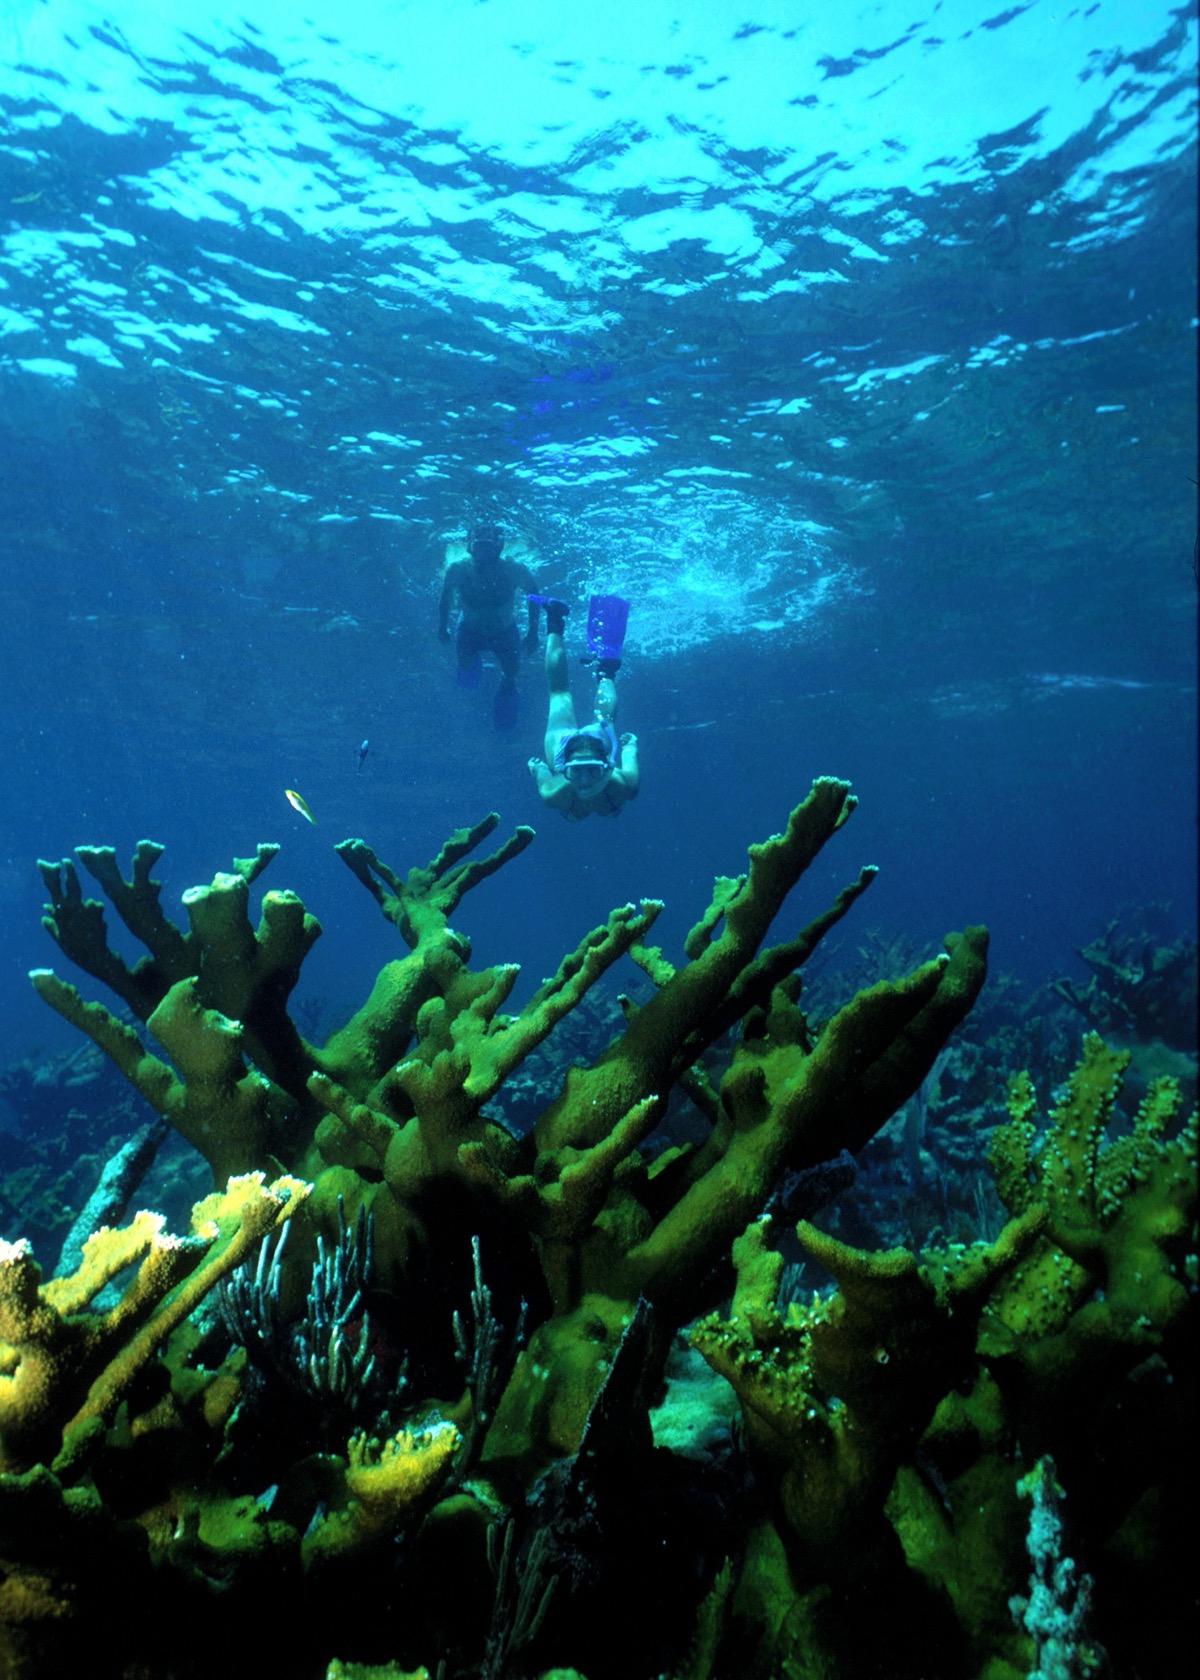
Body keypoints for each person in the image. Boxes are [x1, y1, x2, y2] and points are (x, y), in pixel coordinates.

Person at [527, 595, 639, 820]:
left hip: (563, 745)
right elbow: (629, 756)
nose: (585, 781)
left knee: (560, 694)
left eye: (592, 771)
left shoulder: (553, 794)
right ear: (608, 765)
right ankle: (605, 669)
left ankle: (604, 668)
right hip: (582, 743)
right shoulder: (625, 786)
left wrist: (538, 768)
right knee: (559, 694)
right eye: (578, 771)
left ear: (607, 766)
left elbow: (542, 774)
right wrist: (629, 747)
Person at [438, 522, 539, 731]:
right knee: (465, 666)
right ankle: (477, 677)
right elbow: (445, 598)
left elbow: (533, 593)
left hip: (504, 631)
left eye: (488, 547)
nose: (482, 554)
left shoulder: (513, 569)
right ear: (469, 547)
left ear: (499, 547)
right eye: (479, 546)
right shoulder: (457, 570)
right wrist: (442, 626)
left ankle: (504, 694)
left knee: (511, 673)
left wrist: (533, 631)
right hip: (470, 629)